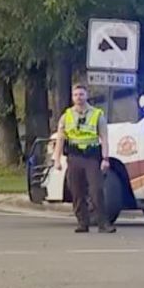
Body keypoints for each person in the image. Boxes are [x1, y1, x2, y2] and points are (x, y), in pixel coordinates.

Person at [52, 84, 116, 233]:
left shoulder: (97, 114)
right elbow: (60, 139)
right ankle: (82, 222)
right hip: (74, 157)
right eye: (75, 95)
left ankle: (103, 223)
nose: (78, 98)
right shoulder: (66, 116)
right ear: (72, 97)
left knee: (96, 190)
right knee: (77, 191)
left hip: (91, 157)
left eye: (81, 94)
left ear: (86, 96)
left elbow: (104, 138)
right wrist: (56, 159)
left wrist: (105, 158)